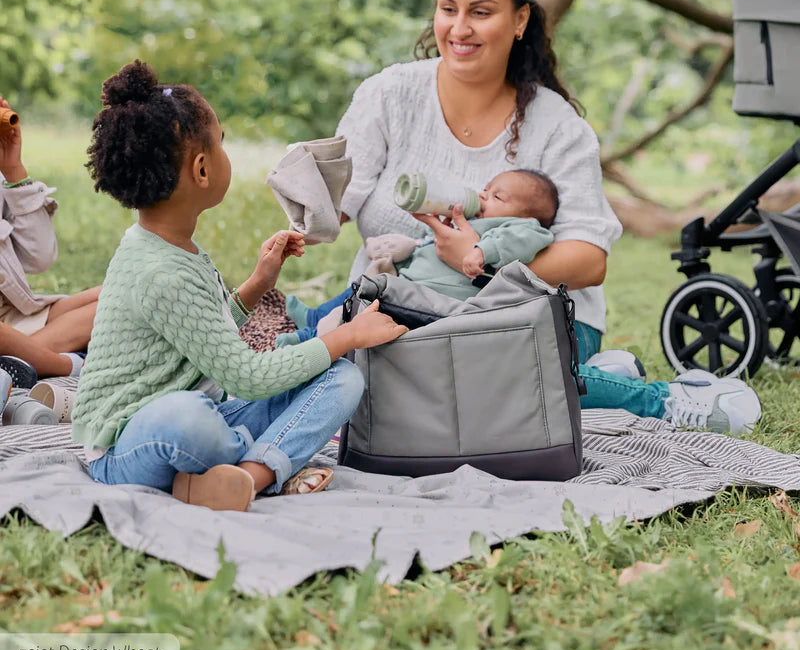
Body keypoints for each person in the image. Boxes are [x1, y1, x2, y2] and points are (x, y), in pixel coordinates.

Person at [325, 0, 761, 435]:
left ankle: (666, 401)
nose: (459, 28)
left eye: (481, 12)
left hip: (532, 322)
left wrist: (479, 262)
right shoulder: (389, 96)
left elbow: (589, 260)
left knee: (466, 376)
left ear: (520, 20)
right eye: (448, 9)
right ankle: (597, 381)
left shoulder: (557, 127)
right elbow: (333, 206)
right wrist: (306, 204)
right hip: (404, 310)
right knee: (368, 376)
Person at [71, 60, 407, 512]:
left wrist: (256, 284)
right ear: (202, 170)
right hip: (128, 448)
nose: (226, 152)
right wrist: (346, 336)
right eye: (222, 142)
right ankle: (264, 458)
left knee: (342, 378)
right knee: (187, 419)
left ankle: (246, 477)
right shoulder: (159, 271)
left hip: (210, 416)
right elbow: (245, 377)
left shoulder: (171, 246)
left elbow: (201, 332)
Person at [280, 168, 558, 344]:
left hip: (436, 301)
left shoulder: (521, 228)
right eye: (486, 189)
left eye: (498, 197)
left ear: (527, 217)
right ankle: (313, 318)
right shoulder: (470, 220)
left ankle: (307, 340)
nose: (483, 197)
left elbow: (518, 241)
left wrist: (481, 251)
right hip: (408, 283)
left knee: (360, 312)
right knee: (359, 291)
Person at [0, 97, 98, 385]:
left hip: (16, 317)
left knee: (121, 294)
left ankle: (20, 360)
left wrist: (13, 169)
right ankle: (66, 366)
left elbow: (39, 257)